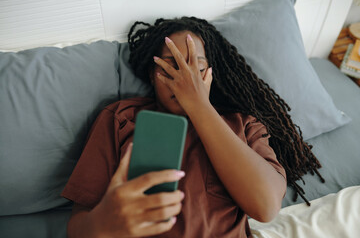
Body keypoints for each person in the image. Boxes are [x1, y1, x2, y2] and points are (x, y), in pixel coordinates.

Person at [61, 17, 324, 238]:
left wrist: (199, 106)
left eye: (196, 67)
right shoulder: (120, 118)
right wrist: (103, 223)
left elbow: (266, 207)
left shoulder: (243, 124)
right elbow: (77, 227)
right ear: (152, 74)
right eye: (172, 66)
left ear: (210, 74)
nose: (185, 78)